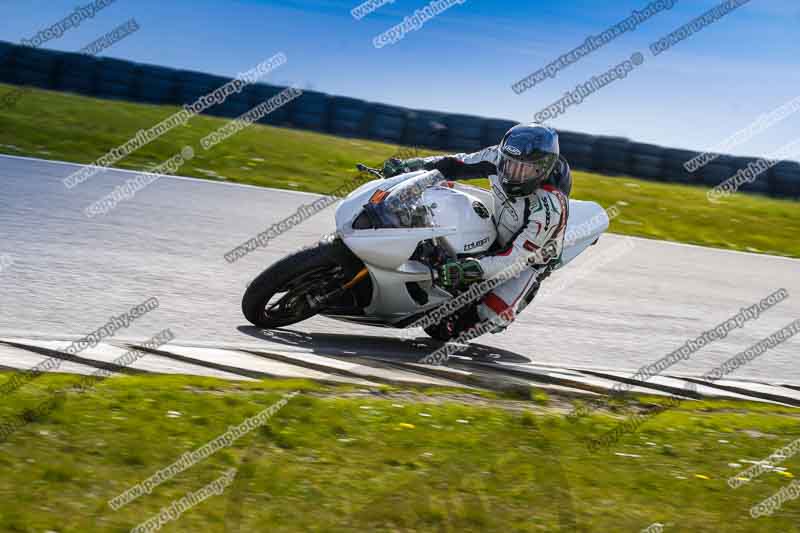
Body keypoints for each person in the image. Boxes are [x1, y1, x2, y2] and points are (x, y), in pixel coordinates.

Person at [382, 123, 572, 336]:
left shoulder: (549, 207)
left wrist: (468, 269)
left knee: (494, 314)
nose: (512, 174)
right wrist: (410, 166)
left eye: (524, 169)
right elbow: (454, 164)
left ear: (543, 169)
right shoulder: (496, 156)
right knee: (441, 196)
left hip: (531, 256)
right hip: (500, 215)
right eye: (509, 164)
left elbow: (515, 257)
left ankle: (504, 302)